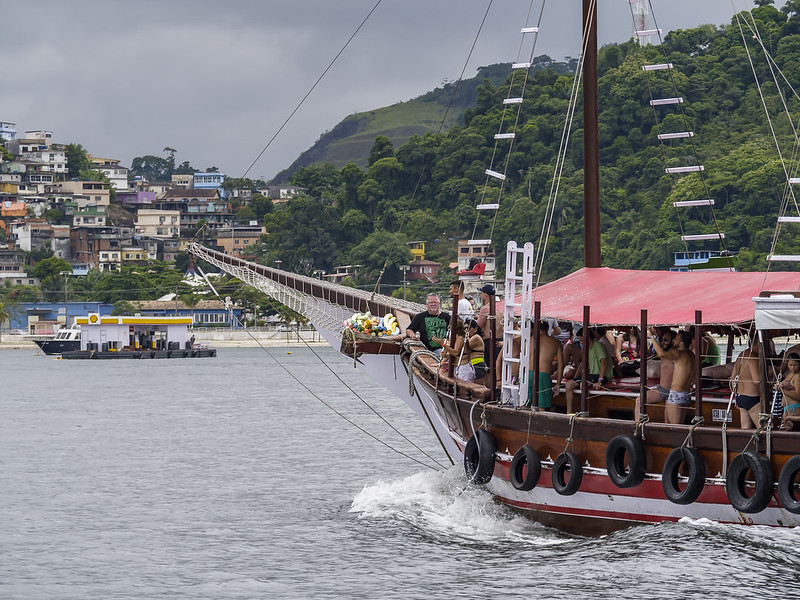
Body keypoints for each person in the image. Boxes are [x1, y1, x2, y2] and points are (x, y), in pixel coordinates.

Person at [651, 328, 695, 425]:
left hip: (676, 394)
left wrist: (652, 338)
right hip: (686, 395)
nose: (674, 340)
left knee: (674, 428)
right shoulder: (691, 355)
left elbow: (661, 353)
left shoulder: (679, 353)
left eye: (676, 339)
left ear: (681, 344)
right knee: (679, 426)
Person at [564, 328, 613, 413]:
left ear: (588, 337)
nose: (581, 342)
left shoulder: (598, 345)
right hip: (593, 374)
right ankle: (569, 412)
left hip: (603, 375)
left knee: (583, 384)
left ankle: (584, 411)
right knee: (568, 385)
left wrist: (600, 380)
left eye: (582, 340)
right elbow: (583, 364)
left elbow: (604, 363)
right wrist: (575, 379)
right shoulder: (586, 349)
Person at [528, 320, 563, 410]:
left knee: (526, 405)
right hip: (544, 375)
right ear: (548, 329)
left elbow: (522, 359)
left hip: (528, 374)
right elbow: (561, 365)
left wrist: (516, 377)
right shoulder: (556, 343)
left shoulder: (529, 340)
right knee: (542, 408)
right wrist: (558, 384)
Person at [732, 340, 762, 429]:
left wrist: (736, 394)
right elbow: (756, 381)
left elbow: (732, 378)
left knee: (745, 429)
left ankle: (742, 443)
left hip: (741, 397)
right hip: (752, 398)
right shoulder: (752, 358)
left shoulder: (741, 355)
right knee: (762, 429)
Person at [476, 284, 497, 367]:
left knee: (488, 368)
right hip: (500, 340)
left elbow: (478, 326)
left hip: (488, 341)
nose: (481, 295)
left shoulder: (485, 308)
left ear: (485, 295)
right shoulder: (498, 307)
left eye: (481, 293)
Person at [466, 319, 487, 385]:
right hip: (470, 365)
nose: (466, 330)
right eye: (465, 328)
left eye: (469, 328)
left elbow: (462, 348)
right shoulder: (468, 338)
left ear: (475, 329)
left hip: (477, 365)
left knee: (478, 388)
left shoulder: (476, 337)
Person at [779, 352, 800, 420]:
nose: (792, 367)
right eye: (790, 365)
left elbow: (798, 396)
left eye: (795, 365)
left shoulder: (798, 376)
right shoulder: (788, 375)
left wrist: (782, 390)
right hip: (786, 409)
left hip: (795, 409)